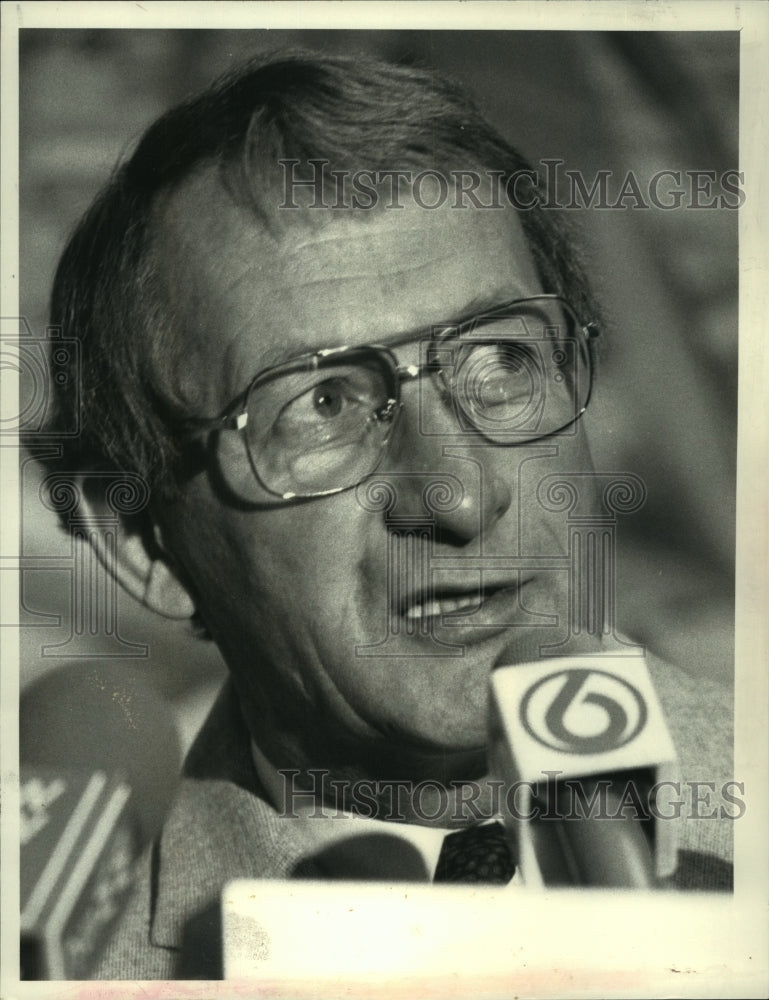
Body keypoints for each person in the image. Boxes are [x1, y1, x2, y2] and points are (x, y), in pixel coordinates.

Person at [38, 49, 733, 979]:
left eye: (500, 362)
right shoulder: (71, 961)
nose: (458, 496)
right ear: (139, 540)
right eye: (321, 403)